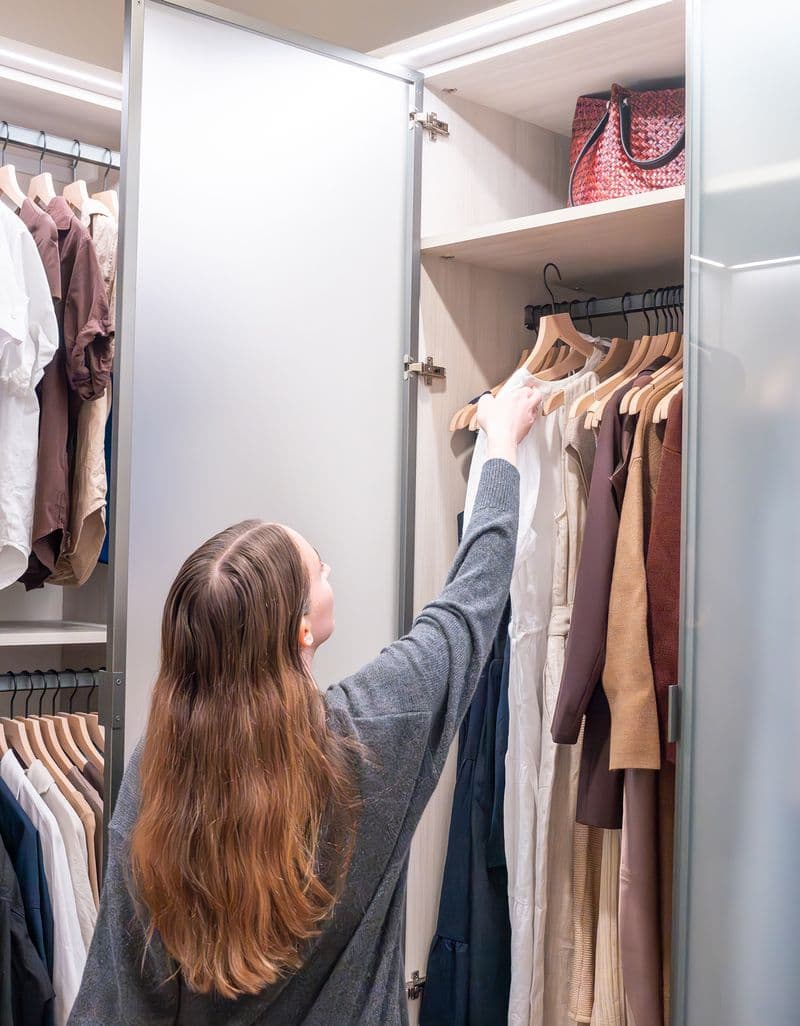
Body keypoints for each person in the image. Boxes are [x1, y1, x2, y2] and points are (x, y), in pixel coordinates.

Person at [67, 385, 539, 1026]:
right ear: (302, 630)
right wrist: (502, 443)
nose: (329, 569)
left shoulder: (160, 772)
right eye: (319, 569)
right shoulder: (374, 733)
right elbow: (470, 602)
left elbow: (119, 995)